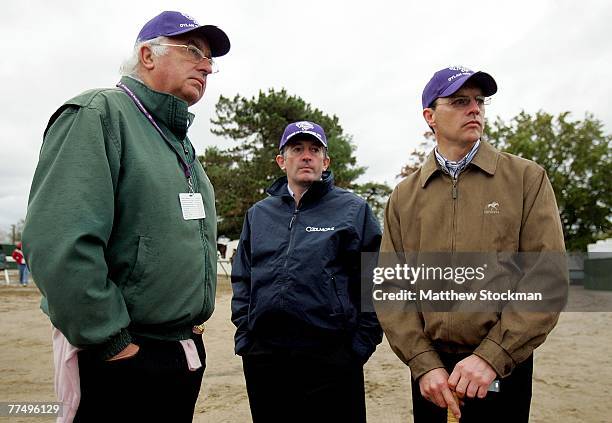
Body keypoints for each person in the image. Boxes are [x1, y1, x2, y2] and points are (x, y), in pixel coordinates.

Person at [22, 11, 229, 422]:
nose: (206, 65)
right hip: (126, 354)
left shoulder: (179, 144)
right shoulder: (98, 114)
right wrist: (112, 341)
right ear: (147, 55)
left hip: (179, 352)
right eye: (193, 50)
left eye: (210, 59)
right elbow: (60, 242)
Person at [376, 66, 567, 422]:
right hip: (433, 376)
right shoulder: (403, 196)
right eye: (460, 101)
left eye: (479, 101)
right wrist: (423, 363)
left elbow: (547, 278)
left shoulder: (526, 179)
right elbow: (390, 286)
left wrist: (492, 356)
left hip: (501, 368)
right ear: (430, 116)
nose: (475, 109)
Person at [231, 121, 383, 423]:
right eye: (297, 149)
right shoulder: (259, 214)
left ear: (325, 162)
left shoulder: (353, 210)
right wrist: (247, 337)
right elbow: (243, 277)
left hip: (332, 357)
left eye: (314, 150)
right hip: (266, 357)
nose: (306, 156)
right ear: (281, 160)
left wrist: (359, 346)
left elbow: (375, 282)